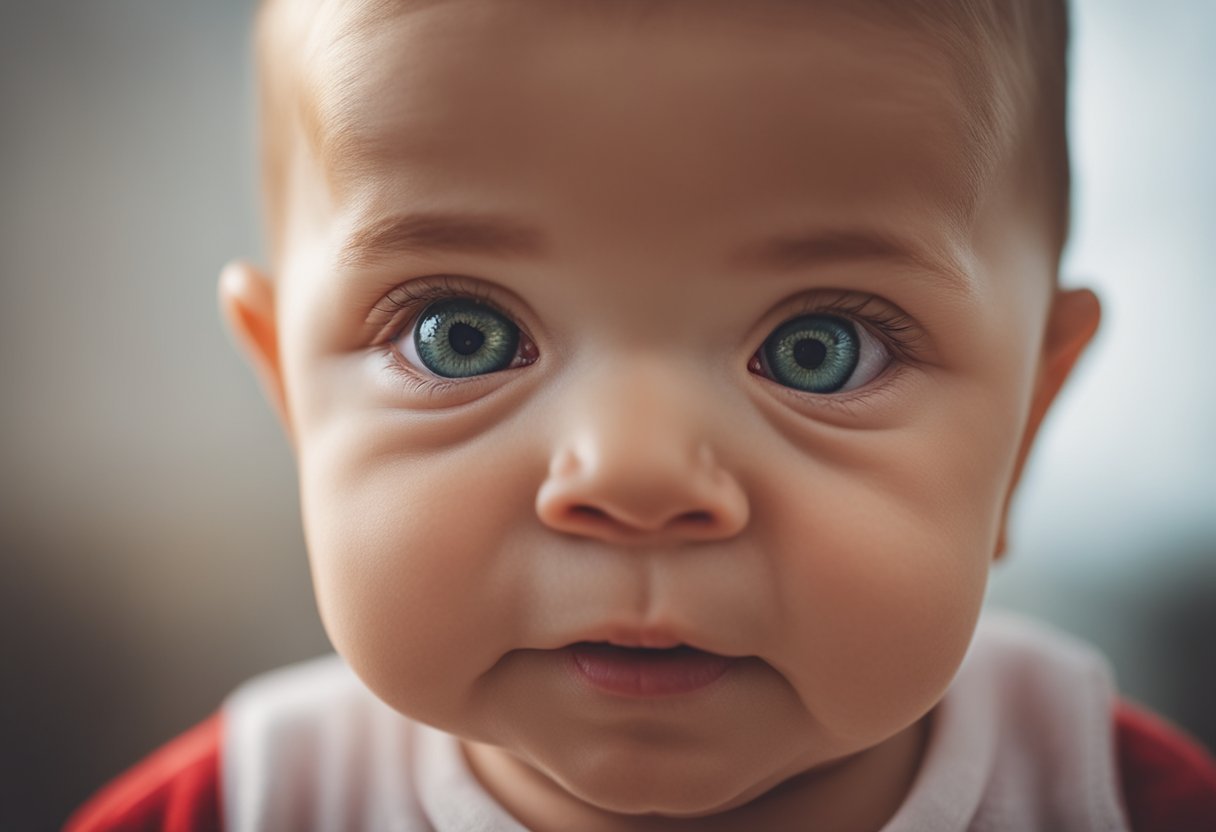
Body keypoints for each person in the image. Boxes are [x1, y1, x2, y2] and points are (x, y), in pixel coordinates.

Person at [67, 0, 1216, 829]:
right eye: (458, 334)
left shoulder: (1114, 799)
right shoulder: (242, 807)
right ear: (291, 405)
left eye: (818, 351)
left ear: (1025, 426)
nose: (635, 473)